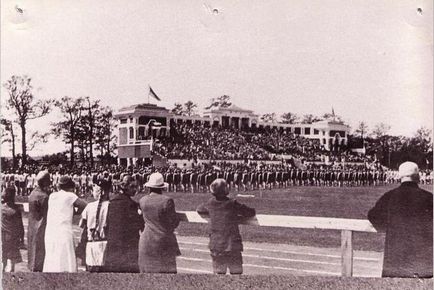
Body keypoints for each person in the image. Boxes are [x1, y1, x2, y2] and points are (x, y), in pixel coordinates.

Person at [368, 161, 433, 278]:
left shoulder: (389, 196)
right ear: (417, 176)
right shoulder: (429, 197)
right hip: (421, 259)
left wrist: (388, 228)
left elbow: (373, 216)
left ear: (399, 176)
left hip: (395, 257)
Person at [197, 178, 256, 275]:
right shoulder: (232, 203)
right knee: (236, 274)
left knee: (218, 275)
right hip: (232, 245)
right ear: (225, 190)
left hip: (216, 244)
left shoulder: (210, 203)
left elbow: (199, 209)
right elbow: (250, 212)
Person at [43, 176, 87, 272]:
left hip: (51, 230)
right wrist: (76, 213)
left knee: (53, 257)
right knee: (66, 259)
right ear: (70, 187)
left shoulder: (52, 195)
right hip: (63, 230)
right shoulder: (70, 196)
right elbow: (84, 205)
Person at [138, 172, 180, 273]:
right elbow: (173, 222)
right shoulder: (167, 201)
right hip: (163, 241)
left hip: (146, 241)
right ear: (162, 187)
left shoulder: (142, 200)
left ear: (149, 187)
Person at [105, 174, 143, 272]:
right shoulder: (131, 205)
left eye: (135, 186)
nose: (135, 189)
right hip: (128, 244)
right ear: (125, 187)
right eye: (132, 187)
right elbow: (137, 224)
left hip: (113, 242)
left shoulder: (112, 201)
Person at [79, 180, 111, 272]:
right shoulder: (110, 206)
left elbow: (81, 225)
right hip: (104, 244)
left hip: (92, 244)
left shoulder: (89, 206)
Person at [27, 170, 51, 272]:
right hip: (41, 226)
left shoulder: (33, 193)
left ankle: (32, 268)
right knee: (40, 251)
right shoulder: (44, 196)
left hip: (32, 225)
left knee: (32, 249)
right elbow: (47, 212)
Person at [1, 186, 24, 272]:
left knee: (4, 253)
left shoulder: (2, 208)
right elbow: (20, 225)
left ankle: (3, 268)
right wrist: (22, 237)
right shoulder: (16, 210)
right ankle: (11, 270)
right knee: (12, 255)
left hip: (3, 235)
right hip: (13, 236)